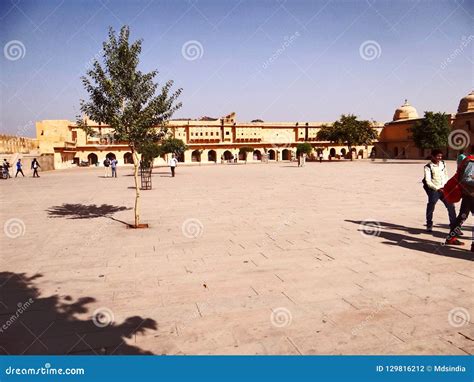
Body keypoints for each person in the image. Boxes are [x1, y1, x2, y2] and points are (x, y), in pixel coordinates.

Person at [423, 149, 456, 233]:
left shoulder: (443, 164)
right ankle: (429, 224)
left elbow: (445, 175)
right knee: (431, 205)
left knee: (451, 206)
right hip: (434, 189)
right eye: (438, 156)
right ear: (432, 156)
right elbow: (428, 181)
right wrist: (437, 189)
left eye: (441, 156)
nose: (439, 157)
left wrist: (447, 186)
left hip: (444, 189)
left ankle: (454, 226)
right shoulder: (428, 167)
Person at [446, 155, 474, 248]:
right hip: (470, 194)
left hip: (469, 194)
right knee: (462, 216)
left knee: (462, 216)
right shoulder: (472, 162)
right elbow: (466, 179)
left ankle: (451, 238)